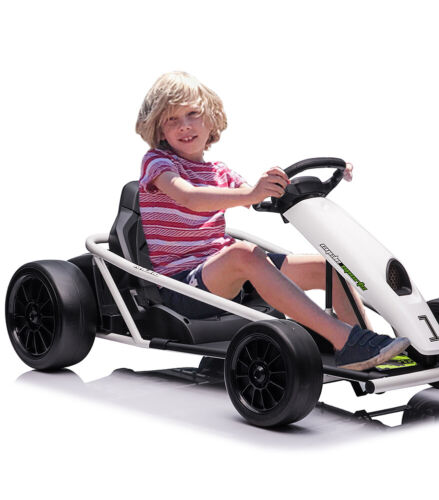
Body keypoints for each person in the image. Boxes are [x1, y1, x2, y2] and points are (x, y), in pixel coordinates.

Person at [135, 71, 409, 370]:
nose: (185, 126)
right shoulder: (158, 162)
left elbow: (257, 198)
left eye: (192, 114)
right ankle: (345, 340)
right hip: (181, 285)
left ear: (211, 119)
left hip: (224, 273)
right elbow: (190, 197)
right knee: (243, 252)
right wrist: (252, 193)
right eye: (171, 119)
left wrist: (283, 186)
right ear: (158, 129)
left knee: (329, 267)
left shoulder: (219, 171)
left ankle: (372, 349)